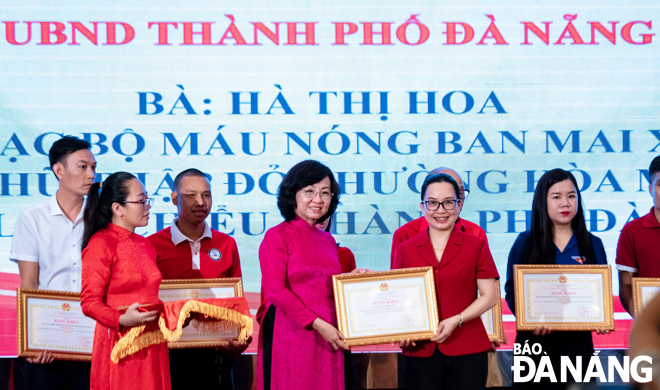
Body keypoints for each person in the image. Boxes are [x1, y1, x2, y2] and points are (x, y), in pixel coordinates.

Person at [393, 173, 499, 390]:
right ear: (422, 206)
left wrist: (457, 319)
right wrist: (401, 329)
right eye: (432, 203)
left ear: (459, 205)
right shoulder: (406, 248)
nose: (440, 210)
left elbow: (490, 296)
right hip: (419, 348)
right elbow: (398, 297)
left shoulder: (476, 245)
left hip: (468, 347)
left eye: (448, 202)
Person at [504, 169, 609, 389]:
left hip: (578, 345)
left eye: (571, 196)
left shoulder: (593, 244)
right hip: (533, 345)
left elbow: (599, 292)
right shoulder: (525, 242)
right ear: (543, 201)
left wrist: (601, 317)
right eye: (557, 197)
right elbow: (512, 289)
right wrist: (530, 320)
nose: (566, 203)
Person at [148, 168, 247, 390]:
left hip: (216, 357)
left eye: (207, 195)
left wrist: (240, 335)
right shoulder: (152, 245)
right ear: (175, 198)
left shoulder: (226, 244)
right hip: (169, 356)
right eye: (191, 195)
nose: (201, 202)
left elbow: (237, 302)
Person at [257, 160, 351, 390]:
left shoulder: (328, 240)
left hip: (328, 333)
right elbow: (275, 291)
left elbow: (326, 285)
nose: (318, 199)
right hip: (290, 332)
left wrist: (354, 279)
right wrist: (318, 324)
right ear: (293, 194)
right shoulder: (277, 236)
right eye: (309, 191)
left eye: (325, 193)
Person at [10, 136, 94, 389]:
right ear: (59, 170)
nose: (91, 174)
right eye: (82, 167)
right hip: (48, 344)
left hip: (93, 339)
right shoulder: (32, 218)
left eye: (93, 167)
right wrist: (34, 342)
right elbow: (29, 283)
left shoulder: (101, 219)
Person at [80, 172, 170, 390]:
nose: (147, 206)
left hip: (152, 340)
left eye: (147, 200)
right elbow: (89, 302)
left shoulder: (146, 244)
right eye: (141, 201)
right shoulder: (101, 244)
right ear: (117, 208)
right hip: (120, 341)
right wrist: (120, 320)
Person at [390, 167, 486, 268]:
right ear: (423, 205)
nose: (441, 209)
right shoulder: (405, 234)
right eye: (434, 202)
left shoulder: (476, 233)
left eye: (460, 194)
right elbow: (398, 279)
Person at [616, 156, 660, 316]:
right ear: (650, 189)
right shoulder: (632, 231)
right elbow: (626, 285)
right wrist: (645, 322)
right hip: (651, 329)